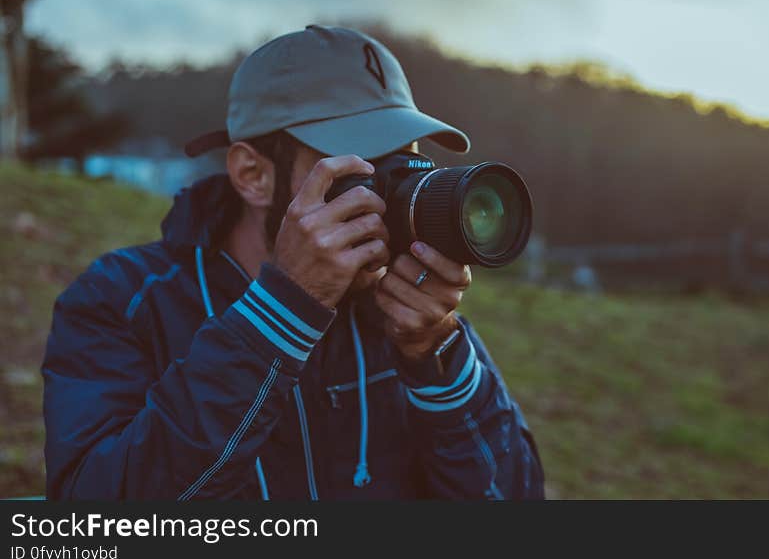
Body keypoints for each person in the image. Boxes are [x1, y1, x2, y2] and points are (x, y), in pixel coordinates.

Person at [42, 25, 544, 500]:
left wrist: (437, 359)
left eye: (402, 160)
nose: (391, 190)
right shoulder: (122, 301)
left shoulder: (404, 310)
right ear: (252, 175)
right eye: (358, 164)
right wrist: (282, 313)